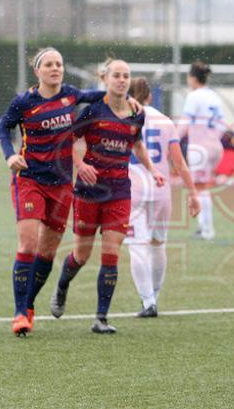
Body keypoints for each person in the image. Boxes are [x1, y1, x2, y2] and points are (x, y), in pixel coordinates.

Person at [0, 47, 140, 336]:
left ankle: (30, 303)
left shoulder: (72, 95)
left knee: (47, 252)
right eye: (48, 64)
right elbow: (3, 126)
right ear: (38, 71)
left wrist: (126, 98)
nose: (55, 68)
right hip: (30, 180)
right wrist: (9, 154)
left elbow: (100, 96)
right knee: (28, 245)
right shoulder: (25, 101)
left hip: (61, 186)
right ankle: (20, 312)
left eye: (59, 64)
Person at [49, 59, 164, 334]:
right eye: (117, 75)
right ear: (105, 79)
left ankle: (101, 318)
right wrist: (81, 165)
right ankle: (62, 286)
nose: (122, 80)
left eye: (126, 76)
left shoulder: (137, 114)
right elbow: (67, 140)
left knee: (111, 255)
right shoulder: (93, 111)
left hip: (119, 193)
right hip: (89, 193)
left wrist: (152, 170)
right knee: (81, 255)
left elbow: (135, 143)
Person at [125, 77, 201, 318]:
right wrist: (193, 193)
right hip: (160, 190)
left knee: (137, 246)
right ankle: (154, 295)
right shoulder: (164, 120)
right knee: (158, 244)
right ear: (149, 96)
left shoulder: (122, 118)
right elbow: (178, 162)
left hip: (132, 189)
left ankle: (148, 301)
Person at [178, 61, 225, 240]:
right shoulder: (214, 96)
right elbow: (222, 124)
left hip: (199, 148)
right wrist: (213, 139)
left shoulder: (194, 96)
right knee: (203, 186)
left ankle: (207, 230)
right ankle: (204, 228)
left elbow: (185, 121)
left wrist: (172, 139)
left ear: (192, 77)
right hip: (215, 146)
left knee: (199, 188)